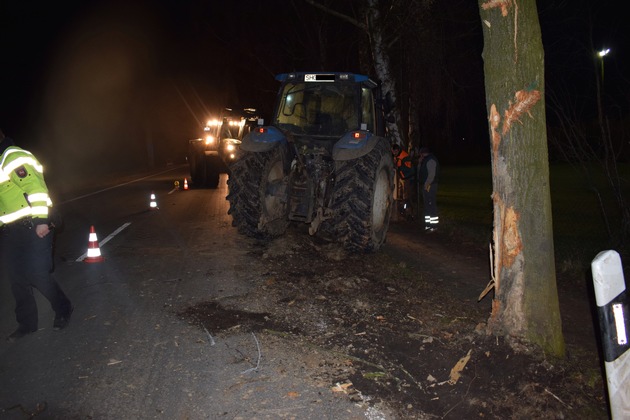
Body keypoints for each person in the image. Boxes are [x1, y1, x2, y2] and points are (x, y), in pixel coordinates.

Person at [0, 130, 73, 342]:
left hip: (33, 225)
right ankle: (27, 324)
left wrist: (41, 220)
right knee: (16, 279)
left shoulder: (12, 156)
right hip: (11, 231)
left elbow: (36, 188)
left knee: (36, 274)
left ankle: (63, 307)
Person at [417, 146, 440, 232]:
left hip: (430, 186)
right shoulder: (425, 160)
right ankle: (428, 225)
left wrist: (426, 185)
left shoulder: (430, 160)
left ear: (422, 154)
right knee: (427, 206)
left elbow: (431, 175)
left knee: (431, 205)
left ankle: (434, 226)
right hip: (427, 185)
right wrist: (419, 163)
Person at [392, 143, 416, 219]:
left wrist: (399, 168)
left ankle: (410, 213)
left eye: (395, 151)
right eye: (393, 152)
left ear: (398, 150)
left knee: (407, 197)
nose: (394, 153)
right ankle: (403, 212)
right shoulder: (396, 156)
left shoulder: (405, 157)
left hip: (407, 179)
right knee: (401, 196)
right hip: (402, 178)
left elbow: (410, 170)